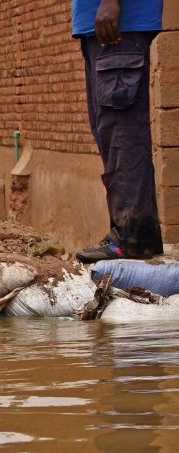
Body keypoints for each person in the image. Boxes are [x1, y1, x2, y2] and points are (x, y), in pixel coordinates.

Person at [73, 0, 164, 262]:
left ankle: (132, 238)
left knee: (124, 134)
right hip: (103, 28)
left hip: (116, 25)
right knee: (111, 133)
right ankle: (129, 234)